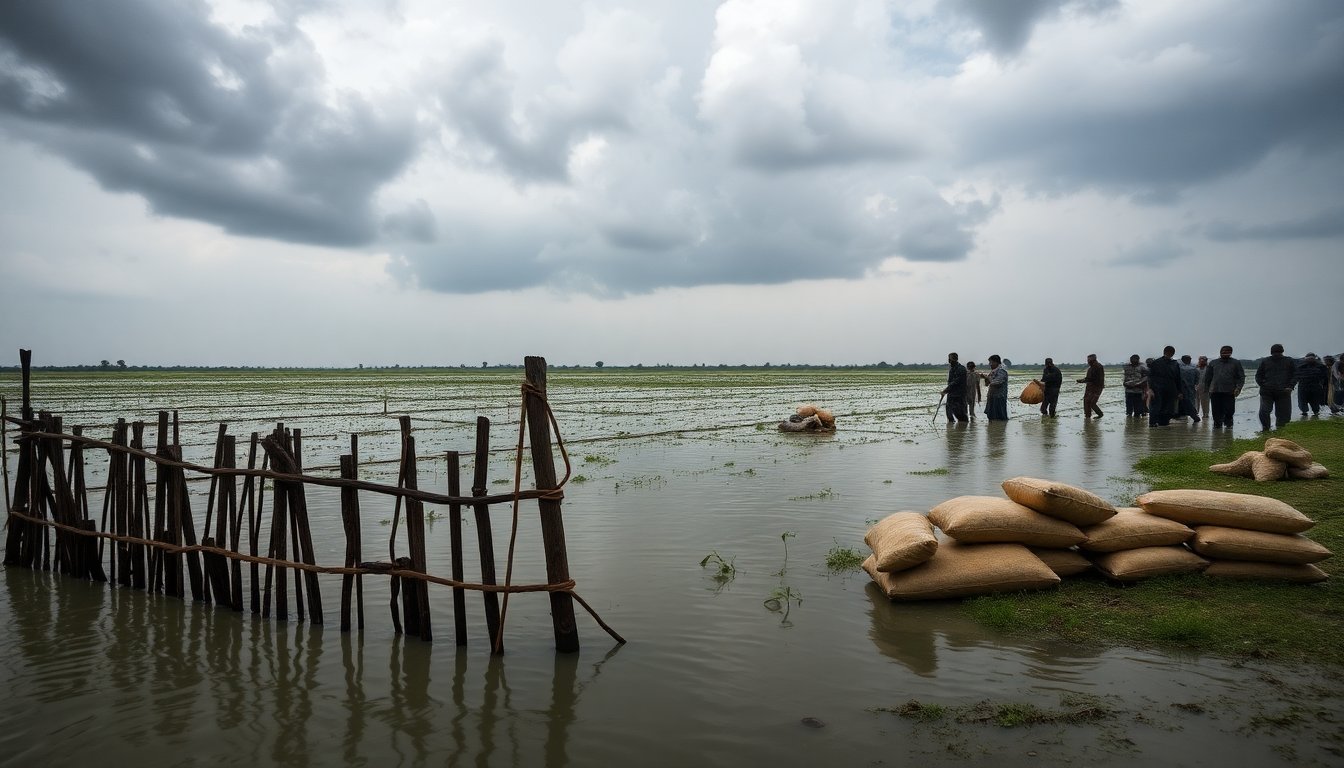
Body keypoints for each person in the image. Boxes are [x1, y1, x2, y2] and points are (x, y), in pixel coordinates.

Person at [1255, 343, 1296, 431]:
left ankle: (1280, 428)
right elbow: (1258, 376)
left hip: (1284, 391)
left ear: (1282, 352)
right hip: (1267, 391)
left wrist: (1290, 386)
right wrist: (1263, 385)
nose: (1276, 354)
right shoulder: (1265, 361)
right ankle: (1266, 428)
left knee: (1283, 412)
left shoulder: (1289, 361)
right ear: (1271, 352)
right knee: (1265, 411)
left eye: (1278, 352)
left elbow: (1295, 375)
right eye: (1275, 352)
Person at [1204, 345, 1245, 428]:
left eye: (1227, 352)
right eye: (1222, 351)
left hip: (1230, 391)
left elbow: (1241, 377)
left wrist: (1238, 388)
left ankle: (1228, 425)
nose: (1224, 353)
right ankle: (1217, 425)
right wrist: (1207, 389)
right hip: (1215, 390)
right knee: (1216, 411)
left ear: (1231, 353)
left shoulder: (1236, 363)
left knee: (1229, 410)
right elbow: (1207, 378)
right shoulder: (1213, 363)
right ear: (1220, 352)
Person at [1147, 346, 1182, 427]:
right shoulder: (1157, 363)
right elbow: (1150, 377)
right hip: (1160, 388)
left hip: (1167, 388)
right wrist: (1151, 389)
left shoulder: (1174, 363)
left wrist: (1179, 391)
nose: (1170, 354)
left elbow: (1178, 378)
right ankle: (1155, 423)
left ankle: (1161, 423)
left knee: (1166, 407)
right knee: (1158, 406)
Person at [1294, 352, 1328, 417]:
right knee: (1302, 401)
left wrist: (1324, 386)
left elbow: (1325, 377)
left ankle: (1316, 412)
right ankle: (1304, 412)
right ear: (1305, 359)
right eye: (1309, 358)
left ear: (1314, 358)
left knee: (1315, 401)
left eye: (1312, 358)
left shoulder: (1321, 366)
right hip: (1303, 386)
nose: (1310, 360)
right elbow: (1296, 376)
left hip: (1315, 386)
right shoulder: (1300, 367)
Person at [979, 355, 1009, 421]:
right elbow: (987, 384)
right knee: (991, 415)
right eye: (989, 362)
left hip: (999, 397)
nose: (990, 364)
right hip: (992, 396)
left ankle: (999, 429)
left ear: (996, 362)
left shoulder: (1002, 371)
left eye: (991, 362)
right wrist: (985, 378)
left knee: (999, 416)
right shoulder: (993, 371)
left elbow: (996, 383)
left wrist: (986, 377)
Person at [940, 352, 968, 423]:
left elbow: (956, 382)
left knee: (961, 414)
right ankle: (951, 428)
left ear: (956, 359)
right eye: (949, 359)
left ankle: (962, 428)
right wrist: (947, 390)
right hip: (951, 394)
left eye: (951, 359)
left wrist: (945, 390)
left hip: (959, 395)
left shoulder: (961, 369)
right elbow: (950, 382)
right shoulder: (951, 368)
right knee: (949, 413)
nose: (949, 361)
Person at [1076, 353, 1104, 418]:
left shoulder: (1098, 367)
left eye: (1089, 360)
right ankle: (1087, 416)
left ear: (1093, 359)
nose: (1088, 361)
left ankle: (1100, 414)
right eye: (1087, 360)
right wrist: (1083, 380)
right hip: (1089, 388)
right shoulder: (1090, 368)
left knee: (1092, 403)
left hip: (1097, 388)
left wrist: (1084, 380)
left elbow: (1095, 379)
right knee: (1086, 401)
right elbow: (1089, 378)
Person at [1177, 354, 1201, 423]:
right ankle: (1193, 415)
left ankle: (1187, 415)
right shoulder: (1194, 368)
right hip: (1190, 388)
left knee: (1182, 402)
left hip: (1181, 388)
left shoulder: (1178, 366)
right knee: (1190, 401)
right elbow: (1197, 379)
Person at [1195, 355, 1211, 421]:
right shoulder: (1195, 368)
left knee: (1205, 401)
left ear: (1206, 361)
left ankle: (1205, 414)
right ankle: (1196, 413)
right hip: (1196, 386)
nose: (1201, 361)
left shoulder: (1208, 368)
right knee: (1196, 401)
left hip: (1205, 386)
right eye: (1200, 360)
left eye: (1203, 360)